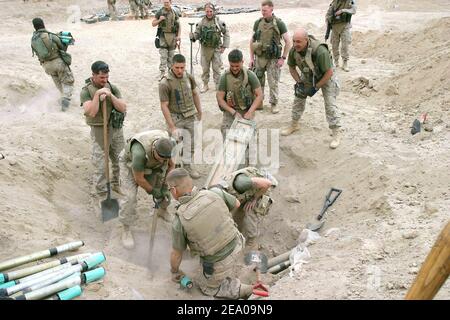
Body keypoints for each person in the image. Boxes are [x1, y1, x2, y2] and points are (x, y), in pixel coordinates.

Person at [167, 168, 254, 299]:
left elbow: (177, 254)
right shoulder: (214, 192)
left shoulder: (179, 221)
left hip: (220, 262)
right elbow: (236, 204)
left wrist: (174, 271)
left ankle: (243, 290)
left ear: (173, 191)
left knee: (205, 286)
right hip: (238, 244)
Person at [281, 28, 342, 149]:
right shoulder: (294, 51)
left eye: (299, 41)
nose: (296, 44)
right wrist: (299, 83)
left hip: (326, 75)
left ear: (306, 40)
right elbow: (292, 68)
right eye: (294, 41)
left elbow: (329, 72)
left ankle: (336, 133)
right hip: (308, 74)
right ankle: (294, 124)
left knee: (330, 104)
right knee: (298, 97)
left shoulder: (320, 51)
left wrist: (316, 87)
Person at [118, 130, 175, 249]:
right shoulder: (139, 153)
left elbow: (171, 166)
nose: (162, 161)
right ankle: (126, 228)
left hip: (152, 165)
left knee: (165, 191)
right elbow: (139, 179)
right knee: (129, 197)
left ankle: (162, 210)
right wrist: (153, 191)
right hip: (130, 164)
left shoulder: (167, 149)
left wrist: (165, 186)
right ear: (154, 149)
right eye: (160, 158)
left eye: (165, 159)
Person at [80, 61, 127, 201]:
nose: (105, 80)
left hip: (115, 129)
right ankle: (101, 193)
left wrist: (110, 96)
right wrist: (97, 97)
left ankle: (116, 184)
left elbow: (122, 107)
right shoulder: (86, 91)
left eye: (106, 77)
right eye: (101, 78)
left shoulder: (112, 87)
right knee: (101, 165)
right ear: (93, 75)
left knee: (120, 159)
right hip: (99, 130)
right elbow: (91, 112)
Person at [159, 54, 202, 179]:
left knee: (191, 143)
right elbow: (164, 105)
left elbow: (195, 94)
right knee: (175, 146)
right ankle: (175, 169)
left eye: (182, 67)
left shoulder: (188, 77)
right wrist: (172, 126)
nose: (180, 70)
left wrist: (199, 111)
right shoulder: (165, 83)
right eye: (177, 67)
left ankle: (187, 166)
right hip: (175, 118)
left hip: (190, 116)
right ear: (172, 65)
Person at [219, 167, 277, 250]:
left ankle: (252, 242)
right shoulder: (219, 189)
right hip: (249, 190)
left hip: (263, 188)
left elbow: (267, 183)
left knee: (250, 214)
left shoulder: (240, 184)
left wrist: (254, 199)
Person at [249, 0, 291, 114]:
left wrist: (283, 58)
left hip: (273, 59)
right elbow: (252, 41)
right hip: (260, 58)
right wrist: (252, 58)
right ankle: (259, 102)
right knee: (258, 81)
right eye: (262, 10)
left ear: (272, 9)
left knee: (273, 82)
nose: (263, 13)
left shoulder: (279, 23)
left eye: (265, 11)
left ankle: (274, 104)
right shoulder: (257, 23)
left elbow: (288, 41)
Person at [216, 49, 263, 139]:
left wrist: (250, 112)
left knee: (249, 139)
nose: (234, 68)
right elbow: (220, 98)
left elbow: (260, 95)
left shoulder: (250, 75)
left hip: (247, 111)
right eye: (232, 66)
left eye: (237, 66)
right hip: (231, 111)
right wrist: (233, 112)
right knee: (228, 137)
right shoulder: (224, 77)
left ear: (242, 62)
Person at [31, 17, 74, 111]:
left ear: (34, 27)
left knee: (58, 82)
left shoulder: (33, 40)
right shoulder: (50, 35)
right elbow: (61, 47)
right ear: (43, 24)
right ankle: (65, 100)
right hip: (58, 62)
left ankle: (63, 97)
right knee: (67, 81)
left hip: (46, 66)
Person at [189, 2, 230, 93]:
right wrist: (192, 37)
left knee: (216, 68)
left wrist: (224, 46)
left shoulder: (219, 22)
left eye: (211, 11)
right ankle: (205, 85)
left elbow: (226, 33)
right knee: (205, 68)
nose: (209, 13)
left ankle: (218, 85)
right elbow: (197, 34)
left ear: (214, 11)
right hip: (205, 49)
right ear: (205, 11)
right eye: (207, 11)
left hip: (216, 48)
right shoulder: (201, 23)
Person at [152, 0, 181, 80]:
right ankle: (162, 73)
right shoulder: (159, 12)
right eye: (164, 2)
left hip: (172, 36)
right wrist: (160, 20)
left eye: (167, 2)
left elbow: (179, 25)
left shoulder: (175, 11)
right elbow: (153, 24)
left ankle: (171, 73)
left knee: (171, 57)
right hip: (163, 36)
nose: (166, 4)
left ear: (170, 2)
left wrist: (178, 36)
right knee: (163, 56)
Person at [326, 0, 357, 72]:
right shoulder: (335, 2)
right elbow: (328, 15)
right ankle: (336, 62)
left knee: (345, 45)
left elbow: (354, 10)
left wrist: (343, 10)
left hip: (345, 26)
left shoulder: (350, 1)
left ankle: (345, 63)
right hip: (335, 27)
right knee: (334, 45)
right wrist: (330, 18)